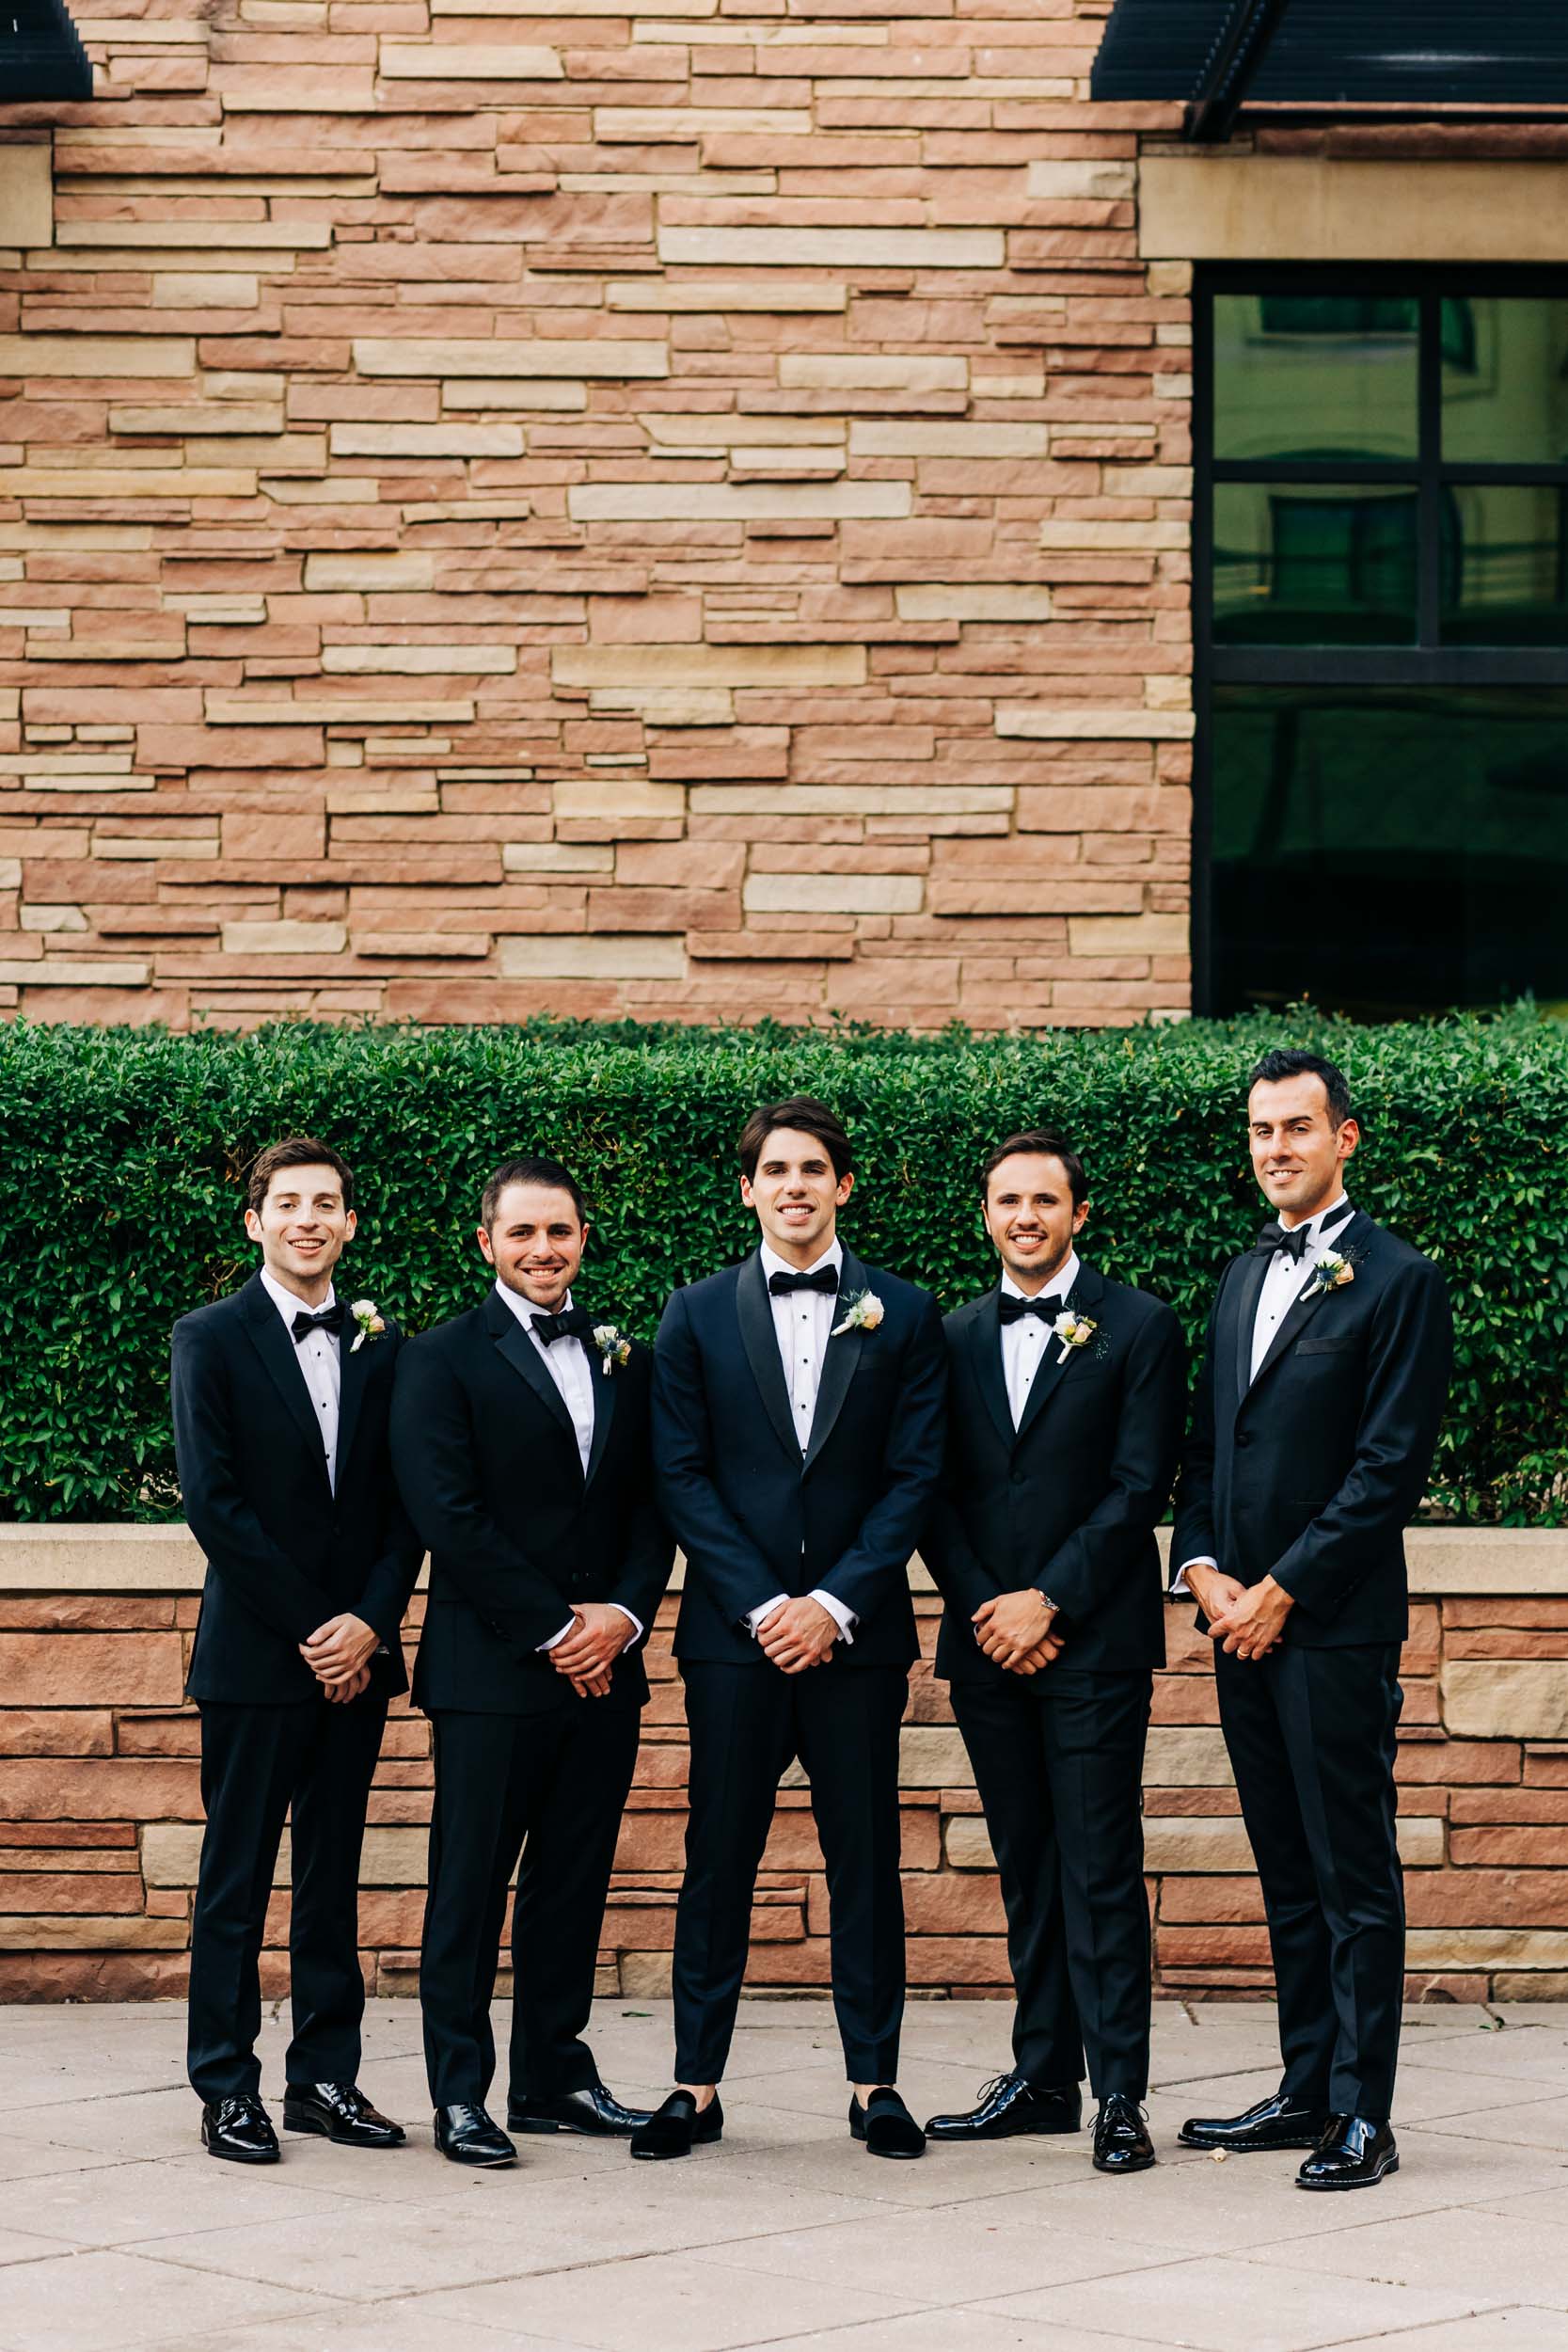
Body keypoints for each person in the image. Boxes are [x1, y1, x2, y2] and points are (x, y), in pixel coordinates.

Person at [631, 1097, 946, 2163]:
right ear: (747, 1188)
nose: (795, 1185)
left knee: (865, 1860)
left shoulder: (902, 1312)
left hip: (857, 1640)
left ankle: (874, 2084)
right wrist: (768, 1606)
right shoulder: (692, 1314)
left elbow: (913, 1478)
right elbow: (677, 1473)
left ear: (842, 1185)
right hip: (735, 1640)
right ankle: (693, 2084)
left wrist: (834, 1605)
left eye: (813, 1168)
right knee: (716, 1856)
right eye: (775, 1169)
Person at [1172, 1048, 1453, 2190]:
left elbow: (1384, 1471)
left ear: (1344, 1138)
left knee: (1350, 1871)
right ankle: (1300, 2088)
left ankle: (1362, 2112)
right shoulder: (1242, 1275)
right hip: (1233, 1619)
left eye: (1294, 1128)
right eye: (1257, 1130)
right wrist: (1201, 1574)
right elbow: (1208, 1450)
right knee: (1283, 1867)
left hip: (1327, 1628)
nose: (1273, 1148)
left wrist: (1280, 1590)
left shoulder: (1396, 1279)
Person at [391, 1155, 673, 2168]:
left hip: (608, 1669)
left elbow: (652, 1506)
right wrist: (559, 1630)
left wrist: (623, 1618)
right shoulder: (438, 1357)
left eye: (558, 1232)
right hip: (492, 1671)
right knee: (468, 1885)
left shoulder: (623, 1355)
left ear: (582, 1236)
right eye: (521, 1234)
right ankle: (459, 2093)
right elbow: (447, 1516)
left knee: (572, 1882)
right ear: (486, 1243)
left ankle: (552, 2075)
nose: (542, 1250)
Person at [923, 1130, 1184, 2173]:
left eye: (1043, 1200)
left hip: (1091, 1640)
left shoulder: (1139, 1326)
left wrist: (1047, 1601)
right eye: (1005, 1200)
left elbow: (1137, 1487)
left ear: (1080, 1213)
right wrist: (990, 1604)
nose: (1023, 1217)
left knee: (1099, 1866)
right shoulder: (943, 1336)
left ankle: (1117, 2092)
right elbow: (926, 1487)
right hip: (985, 1640)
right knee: (1026, 1866)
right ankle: (1040, 2077)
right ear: (984, 1214)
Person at [171, 1136, 421, 2164]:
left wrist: (367, 1620)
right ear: (255, 1222)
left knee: (331, 1875)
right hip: (256, 1655)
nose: (307, 1218)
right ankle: (227, 2084)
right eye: (287, 1202)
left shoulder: (384, 1343)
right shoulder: (210, 1335)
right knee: (235, 1877)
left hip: (355, 1657)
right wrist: (314, 1628)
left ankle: (324, 2077)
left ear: (350, 1223)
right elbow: (214, 1503)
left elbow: (409, 1503)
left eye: (326, 1202)